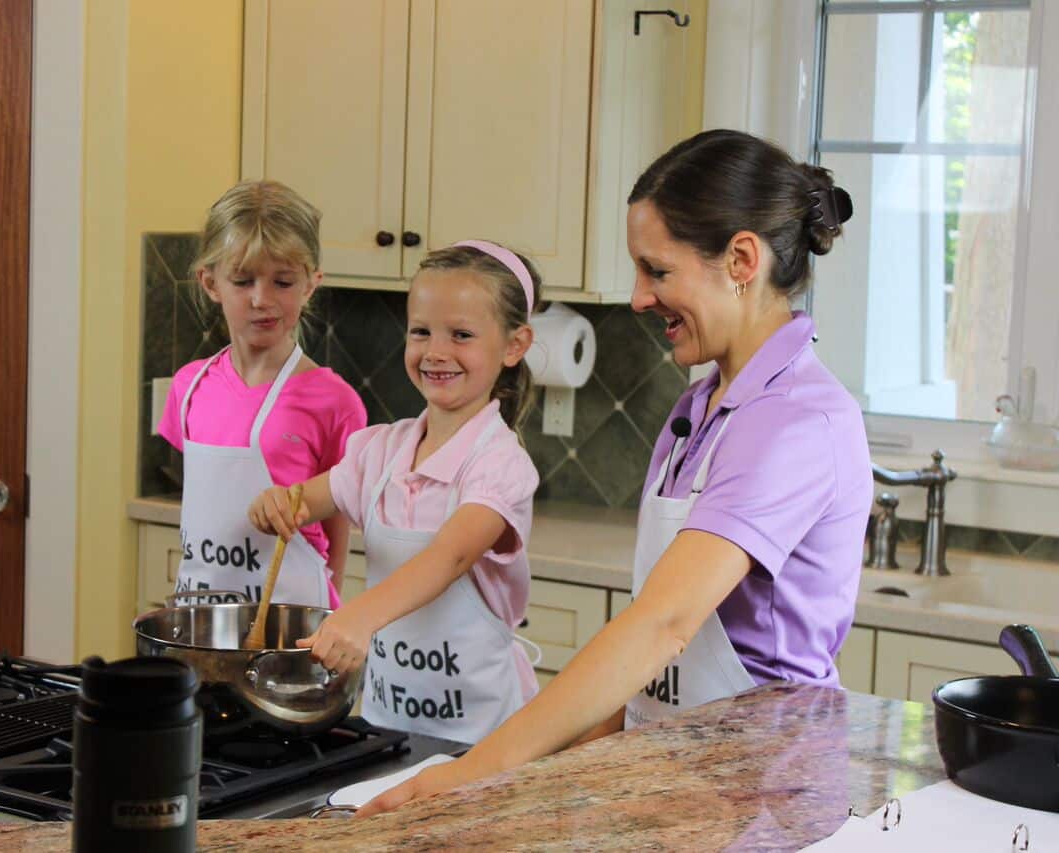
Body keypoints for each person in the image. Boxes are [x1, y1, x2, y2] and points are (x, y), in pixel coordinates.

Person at [356, 129, 872, 816]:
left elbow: (664, 624)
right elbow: (640, 659)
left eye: (657, 270)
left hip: (762, 796)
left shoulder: (797, 421)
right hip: (674, 782)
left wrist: (473, 770)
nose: (637, 297)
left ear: (741, 259)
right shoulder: (700, 408)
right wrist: (540, 782)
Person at [248, 240, 542, 742]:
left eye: (462, 334)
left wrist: (358, 617)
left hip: (478, 742)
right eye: (421, 331)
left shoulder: (500, 465)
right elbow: (304, 502)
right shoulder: (379, 452)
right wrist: (277, 503)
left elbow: (449, 557)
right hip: (387, 729)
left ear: (514, 346)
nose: (436, 352)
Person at [158, 180, 365, 608]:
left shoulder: (334, 401)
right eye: (243, 280)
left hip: (292, 615)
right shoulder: (189, 386)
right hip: (204, 612)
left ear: (311, 284)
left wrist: (326, 614)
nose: (261, 299)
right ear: (211, 283)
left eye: (283, 282)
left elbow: (338, 521)